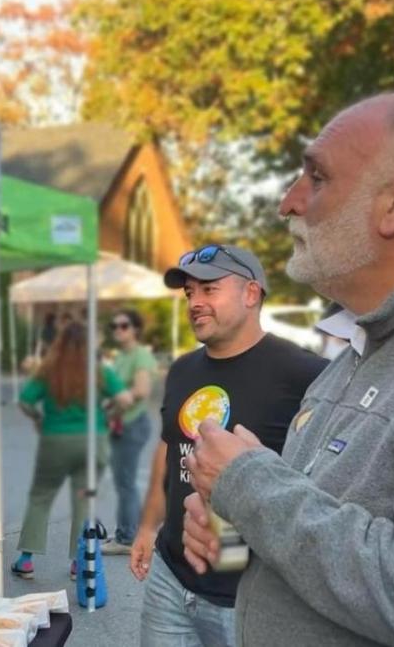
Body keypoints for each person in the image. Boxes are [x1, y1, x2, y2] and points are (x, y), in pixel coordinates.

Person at [182, 91, 394, 645]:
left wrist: (250, 487)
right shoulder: (366, 344)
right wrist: (236, 524)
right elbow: (328, 532)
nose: (288, 202)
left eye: (316, 178)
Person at [129, 244, 326, 647]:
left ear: (251, 294)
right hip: (171, 579)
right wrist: (148, 527)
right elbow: (169, 452)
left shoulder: (305, 374)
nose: (195, 303)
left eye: (209, 289)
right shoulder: (183, 369)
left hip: (249, 597)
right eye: (189, 294)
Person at [11, 322, 133, 581]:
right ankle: (79, 562)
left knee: (41, 496)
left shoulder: (48, 371)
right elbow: (125, 399)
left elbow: (24, 401)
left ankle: (26, 560)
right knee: (83, 500)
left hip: (55, 439)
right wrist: (109, 415)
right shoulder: (99, 372)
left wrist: (37, 419)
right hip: (93, 440)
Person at [100, 309, 155, 556]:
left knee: (126, 484)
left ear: (135, 329)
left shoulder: (140, 355)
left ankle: (127, 537)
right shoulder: (121, 357)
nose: (118, 330)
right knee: (124, 482)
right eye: (114, 326)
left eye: (123, 325)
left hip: (132, 424)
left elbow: (141, 390)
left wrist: (118, 404)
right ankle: (127, 530)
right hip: (122, 423)